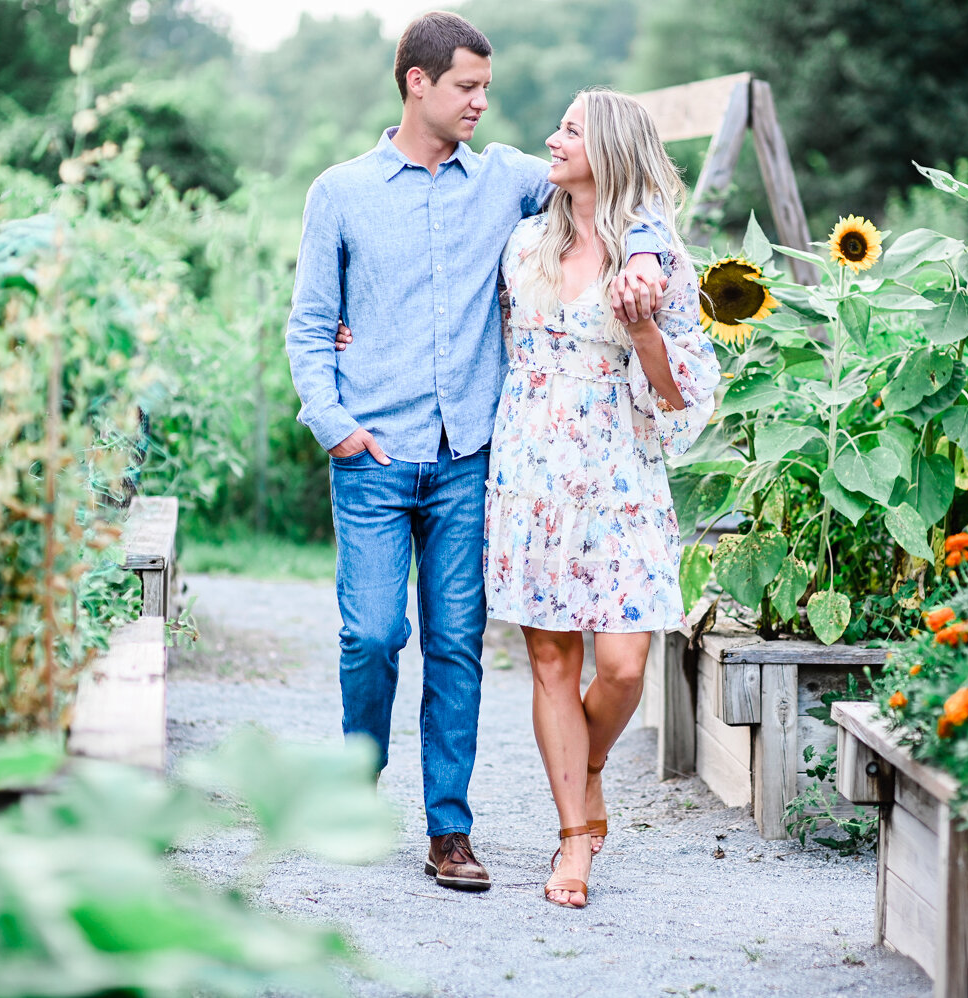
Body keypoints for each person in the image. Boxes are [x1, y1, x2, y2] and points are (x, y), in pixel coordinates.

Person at [283, 11, 668, 894]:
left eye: (485, 88)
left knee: (455, 645)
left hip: (471, 458)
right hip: (374, 454)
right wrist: (332, 420)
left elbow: (611, 184)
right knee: (373, 636)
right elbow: (310, 324)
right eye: (466, 87)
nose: (481, 104)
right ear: (416, 83)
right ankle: (352, 786)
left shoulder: (505, 180)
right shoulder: (340, 192)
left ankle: (449, 832)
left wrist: (643, 250)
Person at [487, 89, 719, 908]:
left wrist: (648, 330)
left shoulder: (657, 264)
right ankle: (575, 839)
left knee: (622, 665)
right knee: (552, 659)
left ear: (610, 150)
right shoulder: (522, 246)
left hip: (618, 475)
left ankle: (584, 771)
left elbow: (682, 394)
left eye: (572, 130)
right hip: (533, 471)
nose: (552, 139)